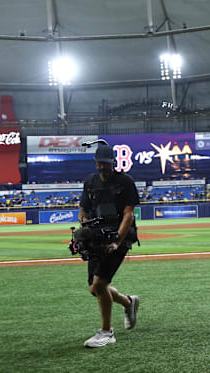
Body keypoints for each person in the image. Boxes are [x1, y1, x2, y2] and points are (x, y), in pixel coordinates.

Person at [78, 141, 140, 348]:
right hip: (97, 238)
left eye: (106, 163)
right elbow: (83, 210)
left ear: (113, 162)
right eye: (99, 163)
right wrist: (85, 228)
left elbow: (128, 214)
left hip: (119, 237)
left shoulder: (125, 181)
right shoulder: (90, 181)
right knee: (94, 289)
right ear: (95, 163)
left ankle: (106, 332)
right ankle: (128, 302)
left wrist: (116, 241)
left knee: (100, 284)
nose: (102, 166)